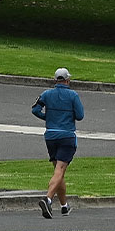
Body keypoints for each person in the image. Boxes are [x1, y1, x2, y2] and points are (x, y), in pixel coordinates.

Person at [31, 67, 84, 218]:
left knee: (58, 171)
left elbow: (35, 110)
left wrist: (48, 118)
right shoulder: (73, 95)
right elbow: (80, 115)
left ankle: (64, 206)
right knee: (60, 169)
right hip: (66, 135)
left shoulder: (47, 94)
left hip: (51, 136)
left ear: (55, 80)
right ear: (67, 80)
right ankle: (47, 199)